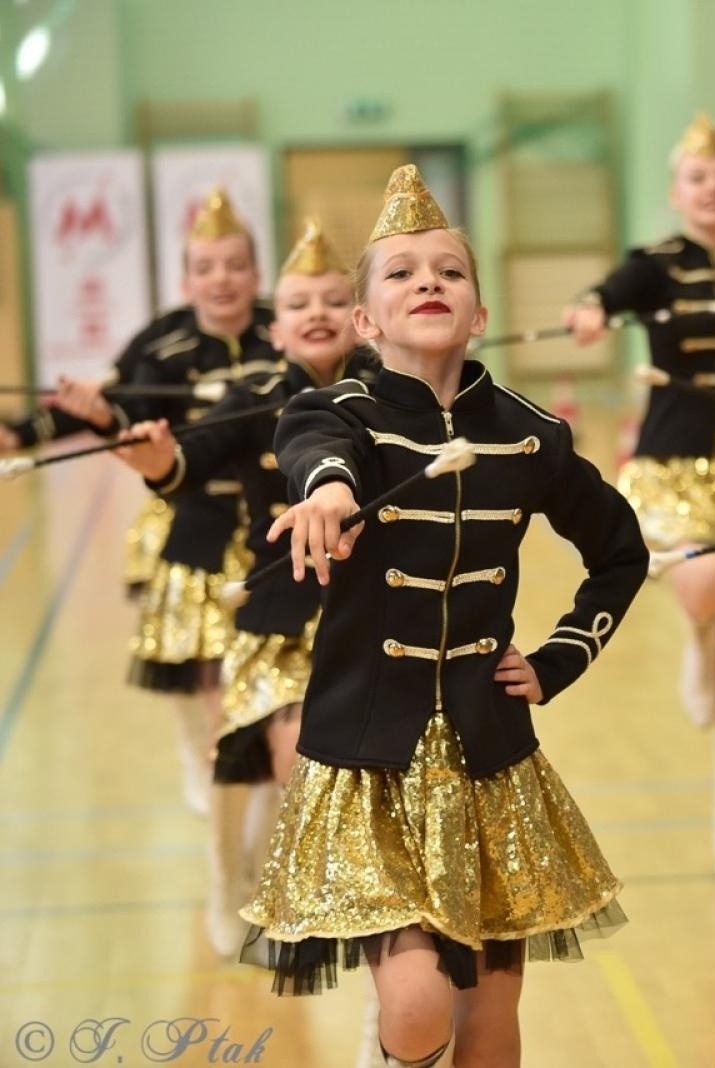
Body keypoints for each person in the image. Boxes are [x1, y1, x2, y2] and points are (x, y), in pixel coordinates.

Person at [241, 166, 648, 1068]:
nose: (427, 282)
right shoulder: (337, 410)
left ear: (480, 312)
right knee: (419, 1008)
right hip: (370, 755)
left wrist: (558, 658)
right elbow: (313, 444)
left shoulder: (530, 434)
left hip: (489, 754)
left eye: (449, 272)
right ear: (364, 323)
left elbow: (621, 554)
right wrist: (329, 489)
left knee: (492, 1019)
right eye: (400, 273)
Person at [112, 219, 377, 960]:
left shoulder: (392, 392)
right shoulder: (258, 392)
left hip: (369, 606)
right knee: (255, 751)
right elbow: (192, 459)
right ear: (280, 326)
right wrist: (160, 460)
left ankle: (272, 876)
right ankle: (227, 881)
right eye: (299, 305)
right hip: (279, 601)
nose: (316, 313)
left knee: (303, 763)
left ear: (360, 317)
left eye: (333, 300)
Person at [562, 112, 715, 886]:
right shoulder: (655, 263)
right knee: (705, 584)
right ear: (677, 192)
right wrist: (590, 310)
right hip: (674, 457)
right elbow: (609, 294)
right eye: (698, 179)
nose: (713, 190)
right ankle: (698, 637)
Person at [42, 190, 278, 816]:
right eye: (205, 268)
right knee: (199, 675)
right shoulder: (163, 343)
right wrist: (85, 420)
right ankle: (206, 759)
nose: (221, 279)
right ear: (186, 278)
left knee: (259, 676)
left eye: (234, 265)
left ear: (256, 273)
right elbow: (116, 411)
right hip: (197, 525)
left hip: (272, 528)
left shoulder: (283, 333)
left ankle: (254, 779)